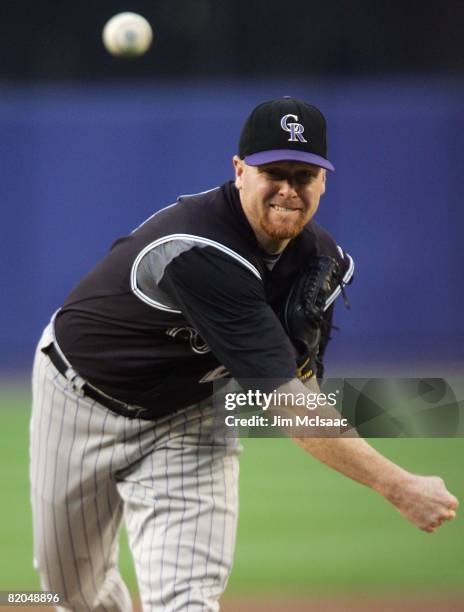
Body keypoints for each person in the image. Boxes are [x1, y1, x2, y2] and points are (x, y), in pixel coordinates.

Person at [30, 97, 458, 612]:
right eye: (273, 172)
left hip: (187, 420)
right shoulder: (197, 249)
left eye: (304, 175)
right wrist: (398, 485)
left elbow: (304, 393)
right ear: (239, 171)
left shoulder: (318, 261)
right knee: (67, 591)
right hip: (78, 400)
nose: (288, 189)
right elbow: (290, 410)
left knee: (187, 601)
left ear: (324, 181)